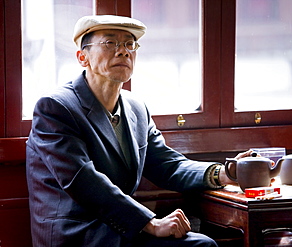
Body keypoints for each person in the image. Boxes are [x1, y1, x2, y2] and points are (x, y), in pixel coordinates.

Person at [26, 15, 254, 247]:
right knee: (200, 246)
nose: (123, 51)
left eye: (129, 44)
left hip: (119, 228)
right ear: (82, 57)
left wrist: (224, 174)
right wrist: (150, 223)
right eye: (110, 43)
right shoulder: (55, 107)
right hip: (78, 234)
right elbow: (83, 181)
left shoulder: (136, 107)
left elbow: (168, 164)